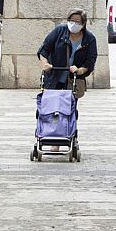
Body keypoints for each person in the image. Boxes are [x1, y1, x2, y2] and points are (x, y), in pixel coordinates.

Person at [38, 9, 99, 150]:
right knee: (52, 108)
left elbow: (90, 63)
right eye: (71, 20)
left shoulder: (89, 39)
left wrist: (79, 70)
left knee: (68, 109)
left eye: (77, 22)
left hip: (73, 80)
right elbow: (43, 50)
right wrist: (45, 64)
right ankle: (53, 138)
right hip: (54, 76)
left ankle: (68, 135)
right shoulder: (59, 31)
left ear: (83, 24)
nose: (74, 24)